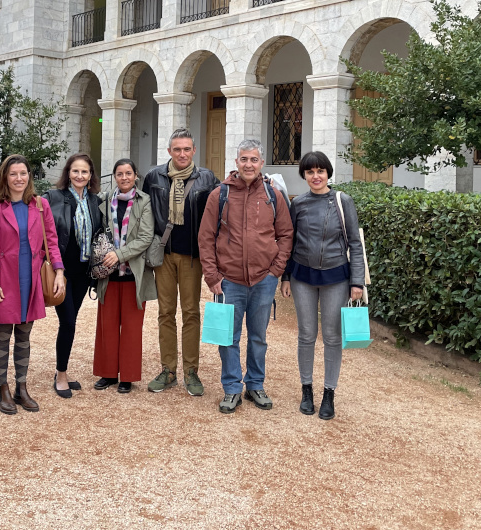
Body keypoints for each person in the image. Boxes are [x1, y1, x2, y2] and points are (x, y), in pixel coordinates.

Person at [198, 139, 293, 414]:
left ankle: (255, 384)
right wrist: (212, 276)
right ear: (236, 162)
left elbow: (286, 235)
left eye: (254, 159)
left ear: (261, 163)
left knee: (258, 336)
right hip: (228, 280)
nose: (249, 164)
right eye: (244, 159)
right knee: (228, 336)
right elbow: (205, 238)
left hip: (264, 280)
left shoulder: (273, 195)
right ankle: (231, 388)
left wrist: (276, 271)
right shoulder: (220, 195)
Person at [281, 151, 365, 421]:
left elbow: (355, 243)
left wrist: (357, 281)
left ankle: (329, 392)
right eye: (309, 172)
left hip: (336, 277)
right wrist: (285, 277)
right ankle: (307, 390)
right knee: (306, 335)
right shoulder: (299, 204)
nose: (315, 176)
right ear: (304, 175)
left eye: (320, 171)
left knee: (331, 336)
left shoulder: (343, 201)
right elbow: (289, 243)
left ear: (328, 173)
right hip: (302, 276)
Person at [0, 154, 65, 415]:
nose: (19, 178)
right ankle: (3, 388)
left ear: (30, 176)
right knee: (3, 335)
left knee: (25, 335)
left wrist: (59, 272)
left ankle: (21, 387)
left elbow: (51, 242)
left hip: (31, 276)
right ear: (5, 176)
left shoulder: (40, 205)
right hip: (4, 276)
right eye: (13, 174)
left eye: (23, 173)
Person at [142, 128, 219, 396]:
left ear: (194, 151)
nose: (182, 154)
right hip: (163, 255)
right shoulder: (154, 176)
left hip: (192, 257)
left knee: (191, 313)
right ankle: (168, 370)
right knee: (165, 312)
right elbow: (144, 210)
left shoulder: (207, 178)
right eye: (177, 149)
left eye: (187, 149)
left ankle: (191, 371)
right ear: (169, 152)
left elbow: (222, 207)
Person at [92, 159, 157, 393]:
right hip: (108, 274)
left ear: (136, 175)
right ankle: (108, 373)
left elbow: (146, 237)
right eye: (120, 174)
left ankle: (127, 376)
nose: (124, 177)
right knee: (106, 325)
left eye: (128, 173)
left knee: (131, 327)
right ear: (115, 176)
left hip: (133, 273)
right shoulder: (104, 201)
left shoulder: (145, 201)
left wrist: (119, 255)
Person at [46, 153, 102, 398]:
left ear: (91, 176)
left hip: (83, 272)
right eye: (75, 171)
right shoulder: (54, 198)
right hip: (62, 271)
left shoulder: (95, 201)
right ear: (68, 173)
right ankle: (60, 374)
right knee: (67, 322)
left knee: (71, 321)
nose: (80, 176)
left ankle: (63, 370)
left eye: (85, 172)